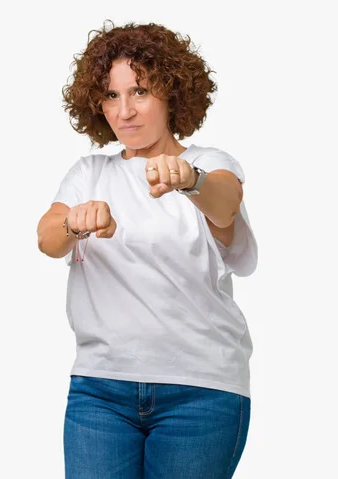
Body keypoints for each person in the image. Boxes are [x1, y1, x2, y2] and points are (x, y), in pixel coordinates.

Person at [36, 20, 258, 478]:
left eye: (139, 91)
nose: (125, 111)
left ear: (172, 94)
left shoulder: (208, 164)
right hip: (100, 392)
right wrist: (75, 222)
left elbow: (225, 203)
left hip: (200, 392)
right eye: (112, 96)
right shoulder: (89, 173)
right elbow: (47, 236)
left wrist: (189, 180)